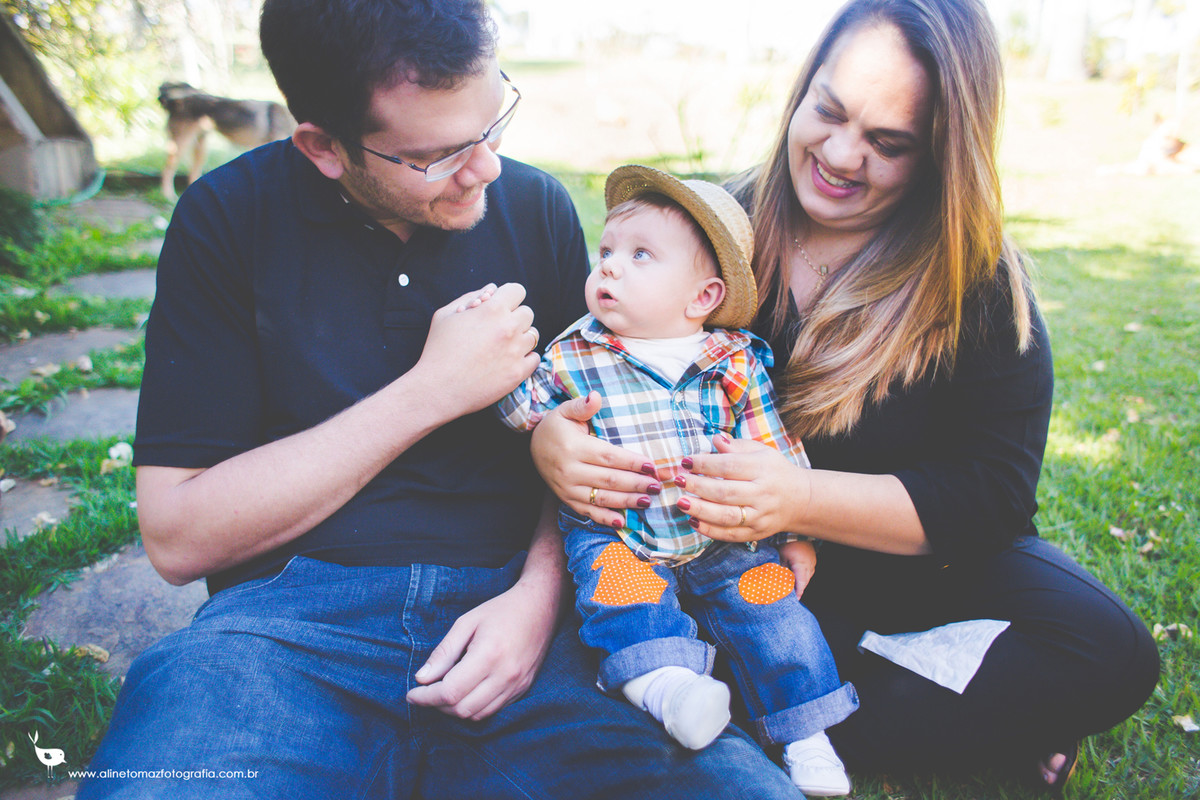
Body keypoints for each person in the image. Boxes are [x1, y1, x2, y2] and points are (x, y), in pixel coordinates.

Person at [75, 2, 804, 798]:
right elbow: (178, 538)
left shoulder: (536, 208)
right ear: (324, 147)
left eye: (492, 124)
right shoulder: (226, 218)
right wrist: (428, 393)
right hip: (281, 635)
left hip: (527, 620)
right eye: (438, 154)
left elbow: (602, 441)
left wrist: (537, 602)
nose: (485, 168)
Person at [528, 0, 1161, 793]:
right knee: (657, 613)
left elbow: (992, 494)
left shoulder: (976, 280)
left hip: (912, 568)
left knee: (1107, 649)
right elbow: (593, 366)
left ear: (942, 154)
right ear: (803, 91)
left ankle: (758, 707)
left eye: (888, 143)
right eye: (827, 111)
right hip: (725, 567)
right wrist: (551, 440)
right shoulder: (707, 231)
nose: (838, 154)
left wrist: (799, 498)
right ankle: (826, 705)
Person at [497, 165, 857, 796]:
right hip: (620, 533)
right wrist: (527, 399)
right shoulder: (573, 353)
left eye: (640, 255)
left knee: (776, 614)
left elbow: (775, 445)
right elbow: (521, 409)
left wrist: (796, 533)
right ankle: (669, 690)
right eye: (607, 252)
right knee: (624, 603)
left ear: (702, 298)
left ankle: (806, 734)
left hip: (728, 535)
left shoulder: (733, 360)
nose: (610, 268)